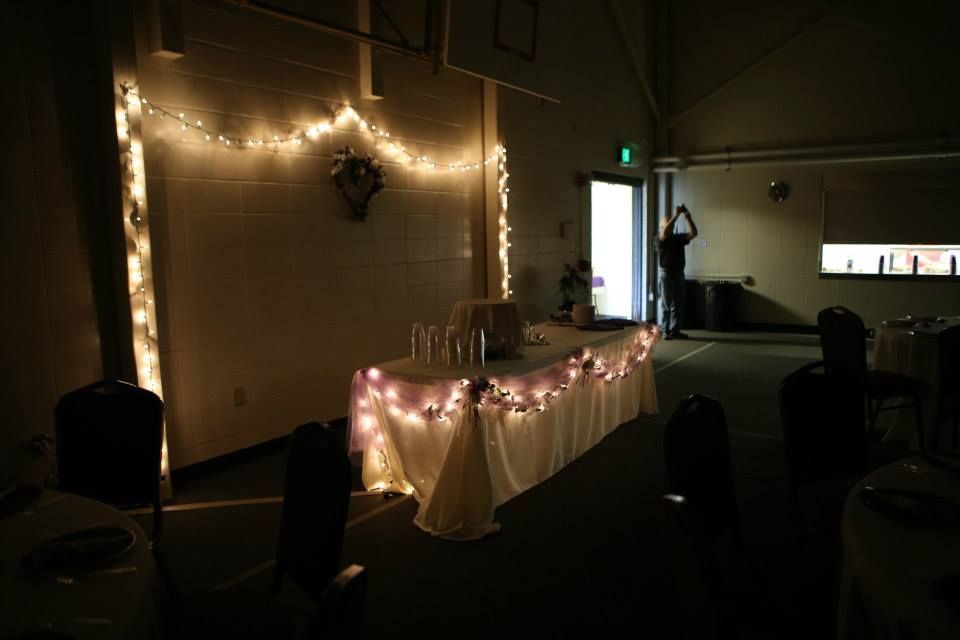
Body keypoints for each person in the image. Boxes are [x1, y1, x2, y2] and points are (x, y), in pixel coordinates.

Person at [658, 204, 698, 339]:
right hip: (666, 274)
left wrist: (688, 217)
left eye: (670, 222)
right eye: (666, 223)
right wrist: (675, 215)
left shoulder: (678, 238)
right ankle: (665, 331)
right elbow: (665, 232)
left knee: (678, 305)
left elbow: (694, 233)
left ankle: (675, 331)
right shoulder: (660, 238)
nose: (670, 224)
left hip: (679, 274)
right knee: (666, 305)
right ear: (662, 227)